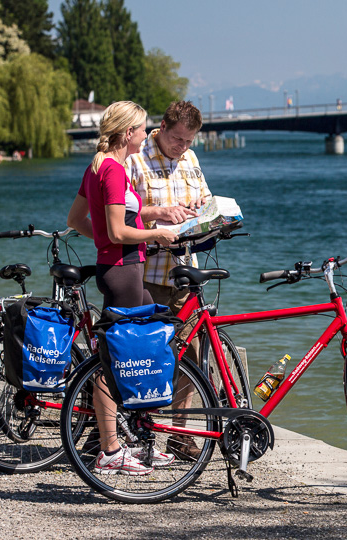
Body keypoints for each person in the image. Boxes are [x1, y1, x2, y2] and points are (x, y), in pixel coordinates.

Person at [66, 100, 181, 476]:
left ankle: (140, 440)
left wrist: (146, 219)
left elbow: (77, 219)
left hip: (119, 268)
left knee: (143, 349)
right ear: (127, 133)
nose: (146, 134)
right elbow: (117, 231)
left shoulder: (97, 166)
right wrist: (156, 235)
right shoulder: (113, 170)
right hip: (123, 272)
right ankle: (110, 450)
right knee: (114, 363)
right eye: (142, 129)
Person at [126, 100, 213, 461]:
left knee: (191, 355)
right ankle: (129, 432)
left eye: (189, 141)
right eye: (178, 139)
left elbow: (205, 199)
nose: (183, 147)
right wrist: (159, 213)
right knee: (140, 354)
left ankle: (179, 434)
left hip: (184, 272)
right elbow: (120, 214)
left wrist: (208, 212)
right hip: (146, 272)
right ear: (161, 127)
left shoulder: (190, 159)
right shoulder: (134, 159)